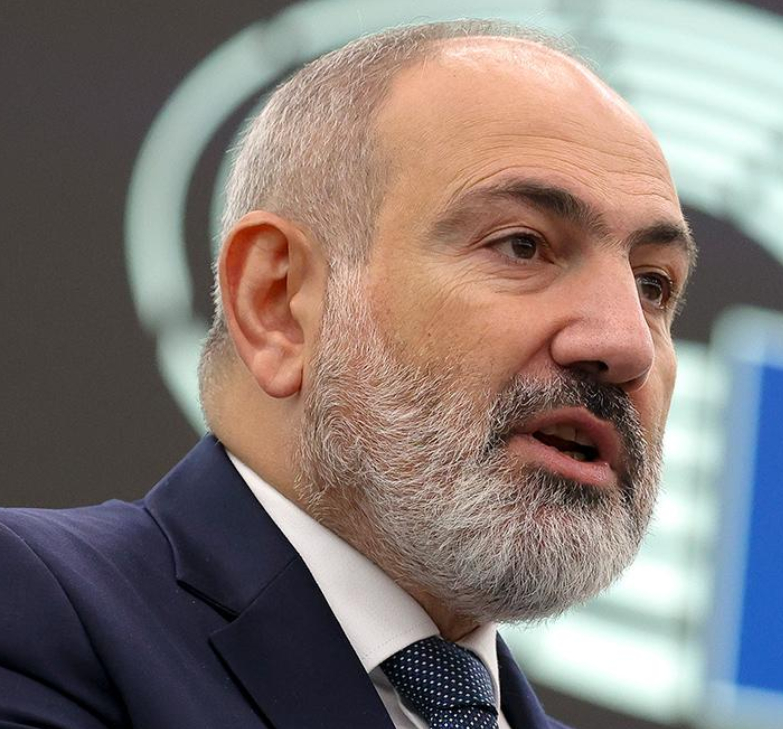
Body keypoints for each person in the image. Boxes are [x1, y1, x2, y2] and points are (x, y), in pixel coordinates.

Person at [0, 19, 695, 729]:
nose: (627, 345)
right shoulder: (31, 611)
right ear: (277, 302)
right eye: (522, 245)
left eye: (654, 286)